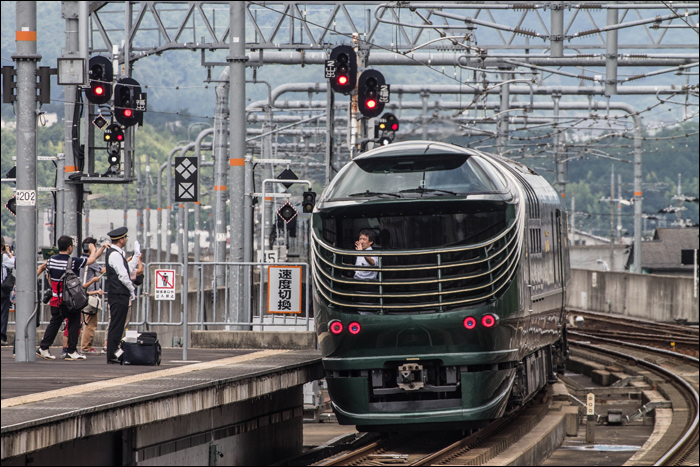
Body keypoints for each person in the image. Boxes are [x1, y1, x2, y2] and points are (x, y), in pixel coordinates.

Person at [35, 235, 107, 360]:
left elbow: (49, 277)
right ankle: (71, 351)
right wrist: (93, 249)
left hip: (56, 298)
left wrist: (55, 291)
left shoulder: (51, 260)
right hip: (69, 300)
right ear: (69, 247)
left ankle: (44, 347)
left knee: (55, 323)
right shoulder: (72, 261)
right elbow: (91, 261)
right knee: (74, 323)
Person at [104, 227, 139, 364]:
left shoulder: (117, 253)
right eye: (125, 238)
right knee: (116, 326)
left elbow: (127, 269)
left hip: (119, 294)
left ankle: (115, 353)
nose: (125, 240)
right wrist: (131, 289)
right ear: (121, 239)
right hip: (118, 294)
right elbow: (123, 276)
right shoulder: (114, 254)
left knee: (118, 326)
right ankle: (112, 355)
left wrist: (136, 257)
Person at [79, 237, 106, 354]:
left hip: (84, 295)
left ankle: (86, 347)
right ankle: (85, 347)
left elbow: (94, 257)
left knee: (87, 322)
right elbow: (102, 270)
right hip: (90, 296)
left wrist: (102, 248)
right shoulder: (90, 262)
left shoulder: (81, 259)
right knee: (90, 324)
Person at [1, 237, 16, 344]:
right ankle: (1, 337)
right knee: (3, 313)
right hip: (3, 290)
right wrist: (9, 253)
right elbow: (15, 263)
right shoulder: (4, 258)